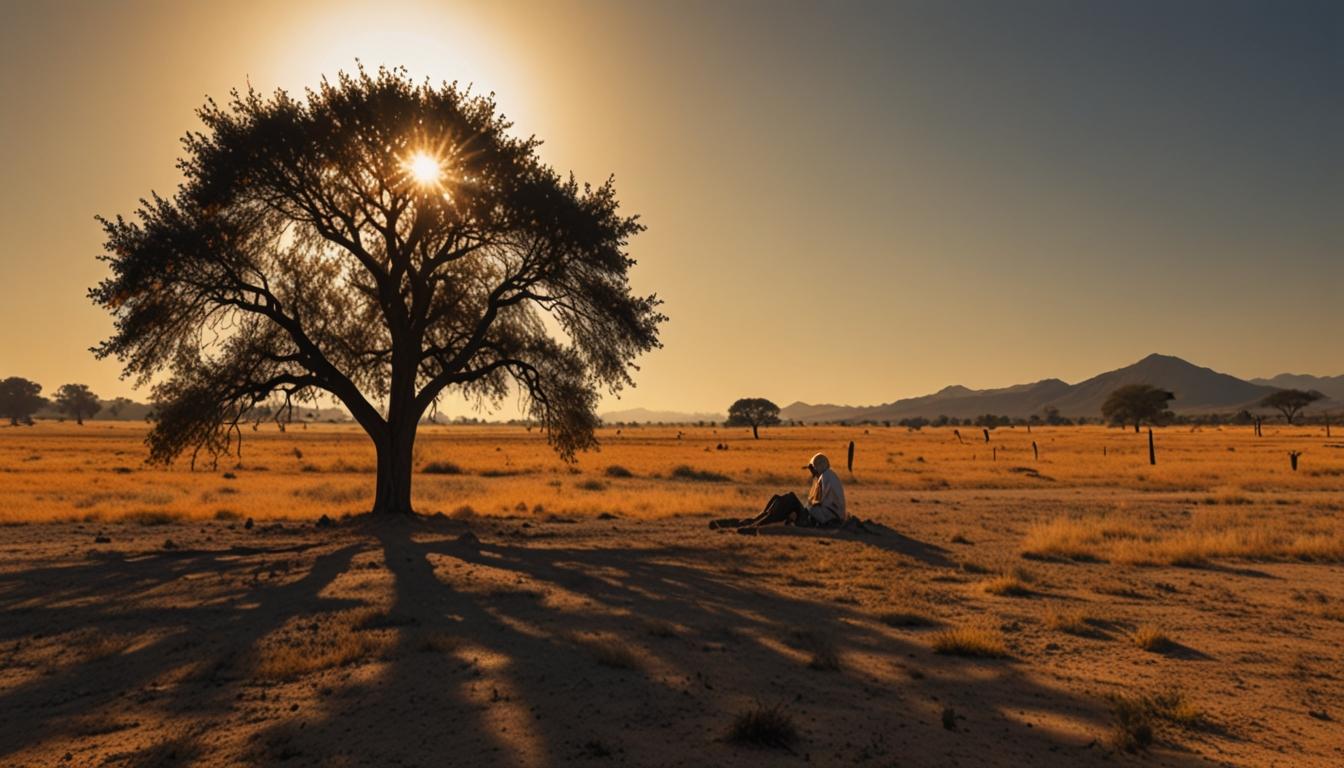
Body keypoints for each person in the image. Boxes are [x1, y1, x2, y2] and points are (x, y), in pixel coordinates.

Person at [710, 453, 847, 533]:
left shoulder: (825, 477)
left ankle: (754, 525)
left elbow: (816, 503)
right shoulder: (828, 476)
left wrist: (800, 511)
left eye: (812, 469)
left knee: (790, 499)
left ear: (817, 467)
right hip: (821, 518)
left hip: (820, 521)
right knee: (779, 499)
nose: (811, 473)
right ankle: (753, 521)